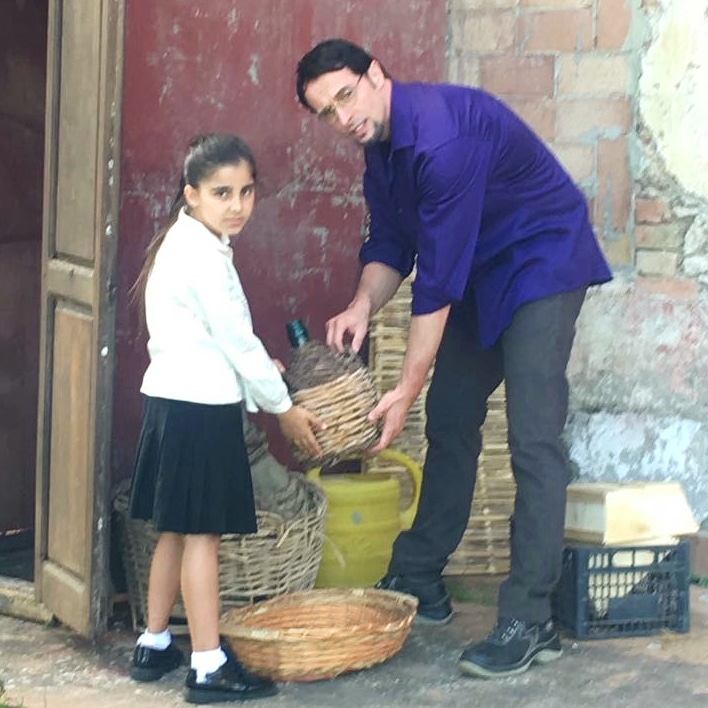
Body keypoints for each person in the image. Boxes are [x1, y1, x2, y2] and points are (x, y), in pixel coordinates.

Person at [295, 39, 612, 679]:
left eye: (346, 96)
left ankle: (530, 618)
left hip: (541, 263)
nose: (343, 118)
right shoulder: (381, 149)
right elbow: (391, 243)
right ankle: (420, 574)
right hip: (479, 273)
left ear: (375, 74)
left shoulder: (440, 140)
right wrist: (361, 306)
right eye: (327, 112)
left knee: (533, 436)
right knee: (451, 418)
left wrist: (406, 386)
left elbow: (435, 283)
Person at [127, 133, 324, 703]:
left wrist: (259, 375)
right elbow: (238, 342)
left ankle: (154, 643)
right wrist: (283, 408)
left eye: (246, 191)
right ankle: (208, 666)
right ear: (191, 194)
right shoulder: (203, 257)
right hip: (200, 410)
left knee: (174, 529)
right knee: (203, 537)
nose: (237, 205)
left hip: (170, 402)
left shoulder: (187, 241)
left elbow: (219, 341)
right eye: (221, 193)